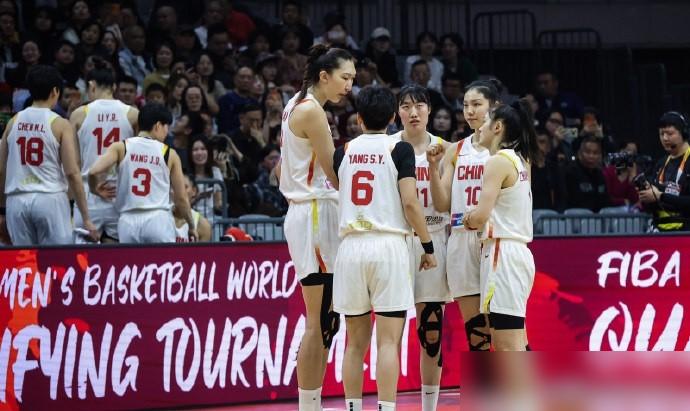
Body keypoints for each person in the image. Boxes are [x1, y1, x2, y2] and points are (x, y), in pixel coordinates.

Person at [333, 85, 436, 411]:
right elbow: (410, 203)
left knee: (354, 343)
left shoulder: (342, 151)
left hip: (351, 247)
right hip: (388, 246)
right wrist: (428, 245)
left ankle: (352, 407)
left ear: (358, 118)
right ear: (393, 117)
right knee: (388, 341)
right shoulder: (400, 148)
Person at [278, 44, 355, 411]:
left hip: (307, 212)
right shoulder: (311, 111)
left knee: (326, 320)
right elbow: (335, 173)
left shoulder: (295, 104)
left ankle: (312, 403)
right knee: (319, 319)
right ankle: (309, 406)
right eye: (345, 78)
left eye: (353, 79)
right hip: (313, 214)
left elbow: (281, 168)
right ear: (324, 76)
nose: (349, 86)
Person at [458, 99, 538, 351]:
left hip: (503, 255)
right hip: (515, 253)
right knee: (518, 341)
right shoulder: (521, 159)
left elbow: (480, 216)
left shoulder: (498, 162)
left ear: (498, 127)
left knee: (507, 347)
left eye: (486, 121)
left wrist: (468, 218)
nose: (480, 127)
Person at [428, 80, 500, 351]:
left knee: (503, 328)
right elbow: (442, 204)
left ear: (494, 107)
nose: (469, 111)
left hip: (492, 238)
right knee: (476, 331)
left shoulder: (505, 150)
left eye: (477, 104)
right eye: (466, 105)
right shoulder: (456, 150)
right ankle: (484, 380)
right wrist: (433, 168)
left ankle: (516, 378)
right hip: (460, 238)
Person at [391, 85, 450, 411]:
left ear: (429, 109)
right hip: (399, 241)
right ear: (397, 112)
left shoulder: (447, 149)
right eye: (406, 106)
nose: (413, 112)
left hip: (436, 238)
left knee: (431, 331)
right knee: (390, 330)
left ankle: (429, 407)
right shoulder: (388, 147)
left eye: (419, 105)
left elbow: (449, 201)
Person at [0, 65, 99, 245]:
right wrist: (86, 218)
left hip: (17, 200)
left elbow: (1, 170)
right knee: (56, 259)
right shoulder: (60, 124)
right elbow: (72, 172)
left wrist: (2, 210)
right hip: (49, 198)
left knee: (26, 260)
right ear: (55, 91)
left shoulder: (13, 122)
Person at [88, 103, 195, 243]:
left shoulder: (121, 147)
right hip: (157, 219)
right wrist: (191, 226)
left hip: (128, 221)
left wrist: (95, 189)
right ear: (158, 125)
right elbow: (181, 198)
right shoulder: (169, 154)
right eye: (166, 127)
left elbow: (93, 171)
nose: (166, 133)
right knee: (162, 258)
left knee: (131, 258)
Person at [70, 64, 138, 243]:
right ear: (114, 87)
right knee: (121, 254)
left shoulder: (78, 115)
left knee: (81, 255)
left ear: (91, 85)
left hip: (88, 194)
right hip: (120, 193)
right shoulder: (132, 114)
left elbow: (73, 163)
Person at [638, 111, 690, 231]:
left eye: (670, 133)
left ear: (684, 133)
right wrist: (647, 196)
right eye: (662, 134)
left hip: (685, 232)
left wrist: (660, 196)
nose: (665, 138)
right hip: (659, 230)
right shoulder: (660, 164)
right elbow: (649, 208)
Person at [174, 174, 212, 242]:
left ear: (194, 191)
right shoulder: (161, 217)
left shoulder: (203, 225)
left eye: (185, 187)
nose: (180, 192)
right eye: (176, 187)